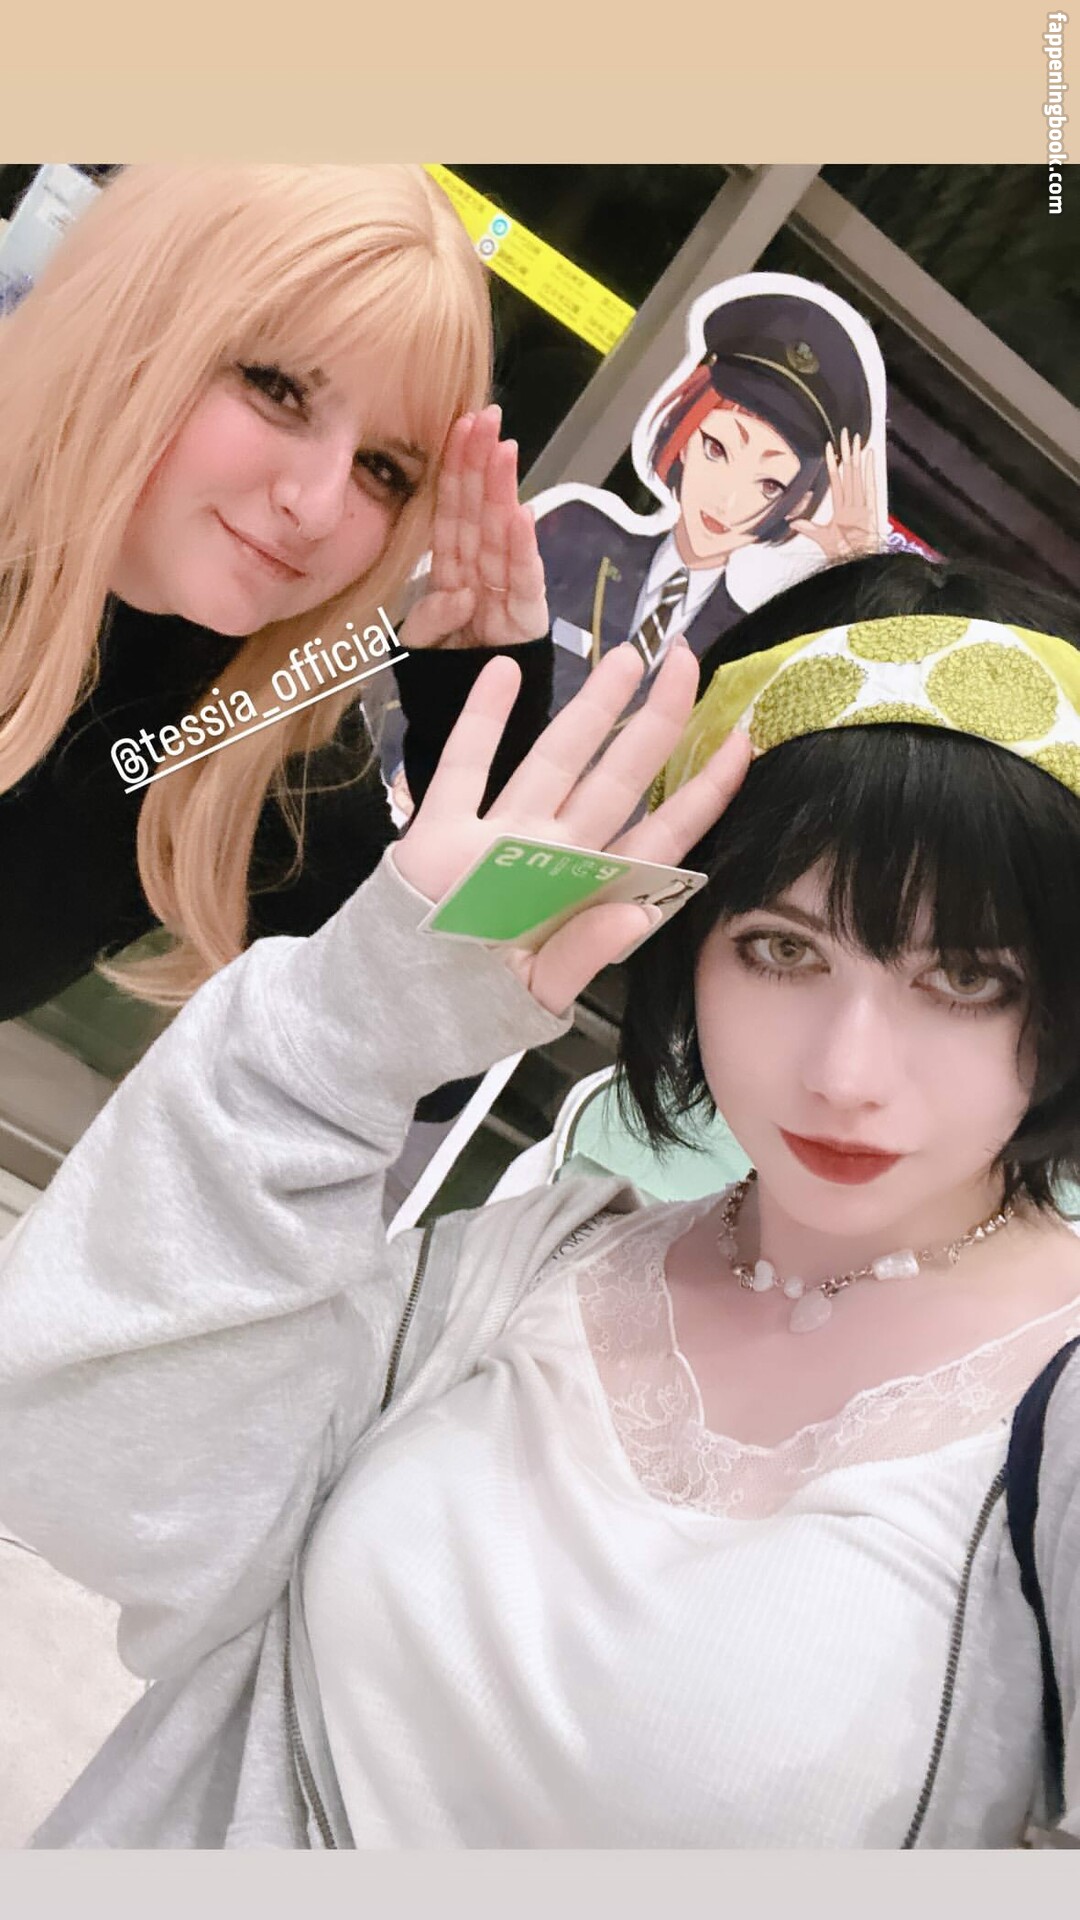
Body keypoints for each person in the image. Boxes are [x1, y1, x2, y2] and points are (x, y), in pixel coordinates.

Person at [1, 552, 1079, 1850]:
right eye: (781, 949)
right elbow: (104, 1498)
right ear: (685, 945)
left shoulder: (1055, 1429)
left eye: (967, 980)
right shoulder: (527, 1270)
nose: (848, 1074)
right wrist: (351, 1030)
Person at [0, 162, 552, 1048]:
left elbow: (418, 1053)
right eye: (280, 390)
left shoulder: (255, 737)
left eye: (383, 469)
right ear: (137, 317)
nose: (319, 505)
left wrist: (485, 728)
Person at [534, 285, 883, 720]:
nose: (728, 500)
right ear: (685, 434)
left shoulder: (748, 648)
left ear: (797, 505)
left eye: (770, 485)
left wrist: (852, 581)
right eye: (716, 449)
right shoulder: (577, 534)